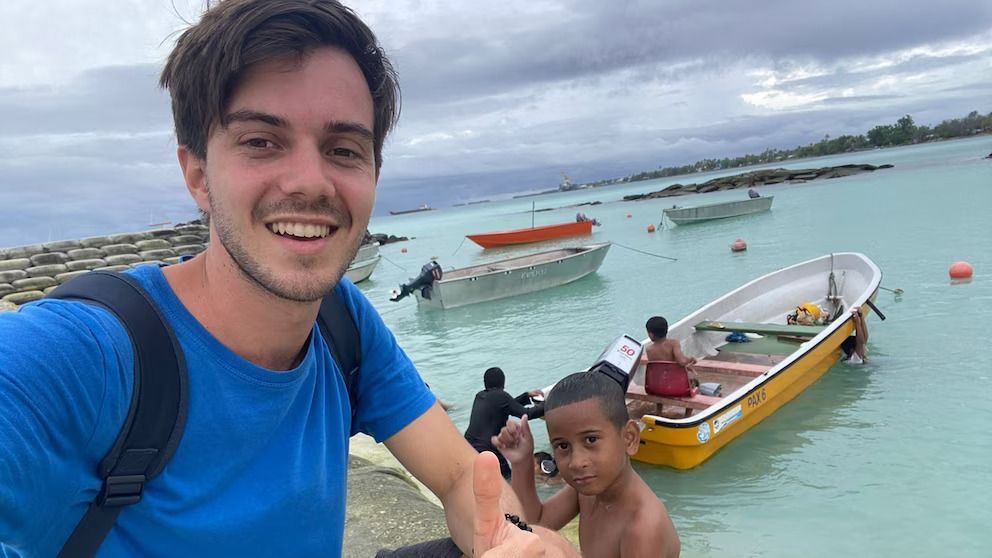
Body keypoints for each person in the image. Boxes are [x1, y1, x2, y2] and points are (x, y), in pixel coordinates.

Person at [0, 2, 576, 557]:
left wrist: (508, 539)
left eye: (343, 149)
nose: (310, 182)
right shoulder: (85, 355)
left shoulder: (340, 320)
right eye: (261, 142)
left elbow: (458, 475)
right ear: (198, 175)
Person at [493, 372, 681, 558]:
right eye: (563, 446)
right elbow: (535, 523)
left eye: (591, 440)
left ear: (629, 438)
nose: (577, 462)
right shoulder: (585, 492)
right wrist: (522, 461)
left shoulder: (642, 528)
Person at [465, 367, 545, 479]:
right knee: (508, 480)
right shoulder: (501, 396)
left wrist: (526, 396)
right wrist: (546, 404)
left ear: (485, 382)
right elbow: (526, 414)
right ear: (503, 382)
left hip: (468, 445)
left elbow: (507, 406)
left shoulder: (480, 396)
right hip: (488, 448)